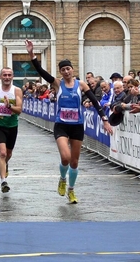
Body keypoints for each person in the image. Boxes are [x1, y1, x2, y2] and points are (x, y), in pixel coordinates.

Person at [25, 39, 113, 204]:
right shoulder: (57, 84)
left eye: (68, 69)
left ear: (72, 70)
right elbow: (40, 71)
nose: (66, 72)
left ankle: (71, 190)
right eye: (63, 70)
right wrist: (32, 54)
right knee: (65, 157)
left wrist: (105, 120)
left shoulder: (81, 85)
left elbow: (94, 101)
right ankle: (62, 178)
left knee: (74, 161)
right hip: (61, 125)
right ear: (60, 72)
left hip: (77, 126)